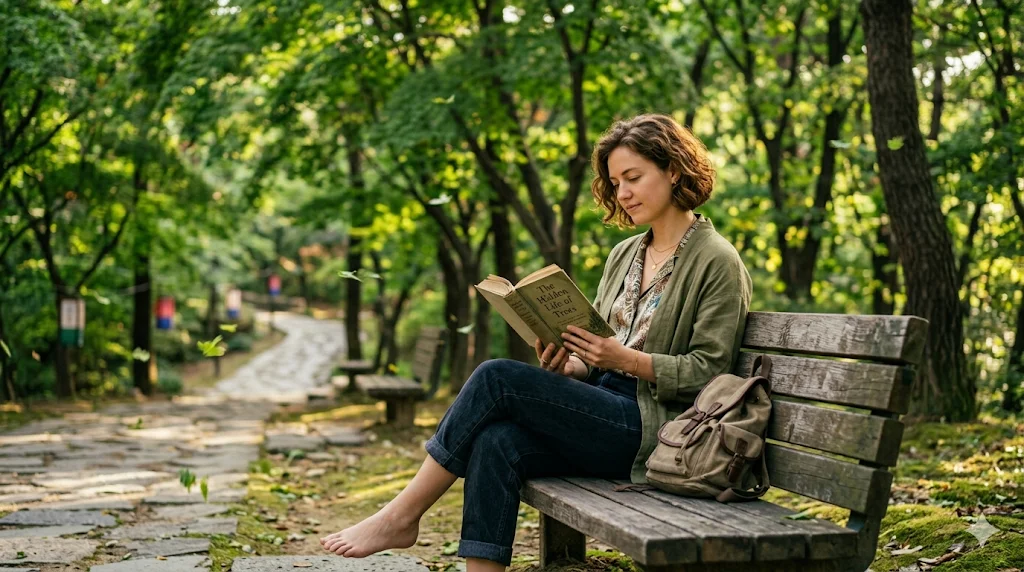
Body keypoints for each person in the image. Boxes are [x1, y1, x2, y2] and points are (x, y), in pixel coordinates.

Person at [320, 113, 753, 571]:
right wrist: (573, 367)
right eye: (615, 181)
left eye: (633, 178)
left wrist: (629, 361)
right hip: (602, 408)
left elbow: (712, 373)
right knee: (496, 440)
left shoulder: (716, 260)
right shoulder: (626, 253)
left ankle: (401, 515)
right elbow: (602, 353)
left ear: (674, 170)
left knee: (496, 377)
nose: (623, 193)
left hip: (656, 428)